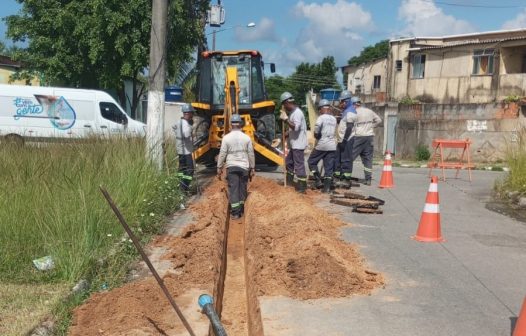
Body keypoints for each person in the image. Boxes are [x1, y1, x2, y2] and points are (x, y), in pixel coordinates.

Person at [217, 114, 255, 219]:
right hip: (244, 167)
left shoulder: (226, 138)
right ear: (241, 124)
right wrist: (252, 167)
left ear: (231, 124)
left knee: (234, 189)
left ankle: (236, 212)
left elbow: (223, 153)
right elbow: (251, 154)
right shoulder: (246, 138)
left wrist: (219, 167)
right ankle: (242, 208)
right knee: (242, 188)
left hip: (232, 167)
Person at [279, 91, 308, 194]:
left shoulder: (297, 113)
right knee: (289, 163)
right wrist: (285, 134)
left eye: (284, 104)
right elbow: (292, 129)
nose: (284, 107)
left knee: (299, 165)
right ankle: (290, 182)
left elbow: (295, 127)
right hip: (294, 144)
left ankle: (302, 186)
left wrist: (286, 119)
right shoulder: (293, 113)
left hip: (298, 144)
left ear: (287, 103)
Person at [307, 99, 337, 193]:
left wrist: (316, 135)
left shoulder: (321, 118)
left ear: (323, 108)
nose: (319, 111)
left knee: (311, 162)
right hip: (332, 145)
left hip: (322, 144)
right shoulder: (334, 118)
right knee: (329, 167)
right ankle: (326, 189)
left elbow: (317, 129)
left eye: (320, 109)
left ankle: (318, 180)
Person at [350, 99, 382, 186]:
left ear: (354, 104)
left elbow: (350, 125)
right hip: (369, 137)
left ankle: (346, 176)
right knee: (368, 159)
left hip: (358, 137)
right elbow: (379, 120)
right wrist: (371, 126)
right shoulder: (369, 111)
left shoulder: (354, 112)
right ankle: (368, 179)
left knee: (350, 157)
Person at [336, 95, 359, 189]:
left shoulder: (350, 112)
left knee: (346, 159)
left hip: (347, 139)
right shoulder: (347, 111)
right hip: (342, 139)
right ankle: (339, 177)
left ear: (346, 101)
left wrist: (344, 140)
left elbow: (349, 127)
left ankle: (346, 180)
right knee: (339, 158)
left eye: (341, 102)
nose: (340, 104)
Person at [174, 103, 195, 192]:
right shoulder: (186, 124)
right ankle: (184, 187)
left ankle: (180, 185)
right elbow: (186, 135)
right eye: (191, 113)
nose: (192, 115)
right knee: (190, 170)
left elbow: (173, 127)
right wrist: (191, 128)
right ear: (188, 113)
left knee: (182, 169)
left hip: (180, 149)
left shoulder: (178, 122)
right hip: (186, 151)